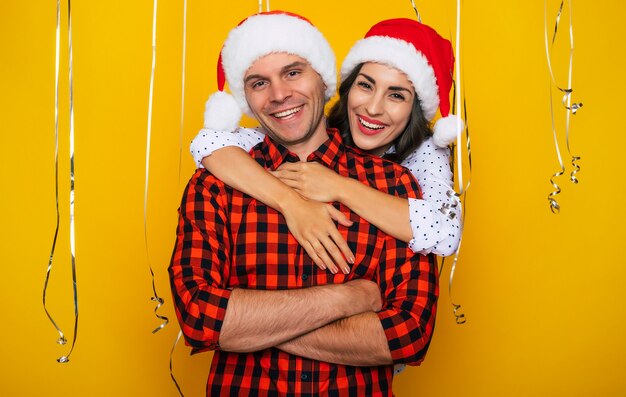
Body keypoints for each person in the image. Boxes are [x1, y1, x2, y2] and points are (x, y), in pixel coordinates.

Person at [169, 11, 438, 396]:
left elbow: (407, 335)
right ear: (246, 97)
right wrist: (350, 298)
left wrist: (247, 327)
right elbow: (199, 317)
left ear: (325, 81)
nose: (279, 95)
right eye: (259, 82)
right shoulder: (217, 184)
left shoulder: (393, 186)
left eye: (293, 72)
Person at [190, 18, 463, 276]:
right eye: (366, 86)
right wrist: (292, 204)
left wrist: (337, 186)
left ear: (415, 109)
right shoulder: (308, 128)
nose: (372, 108)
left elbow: (445, 233)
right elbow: (210, 144)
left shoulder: (424, 153)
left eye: (396, 95)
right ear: (347, 87)